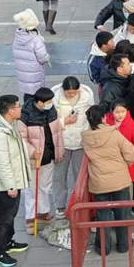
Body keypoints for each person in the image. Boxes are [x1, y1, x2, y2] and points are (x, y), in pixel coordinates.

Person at [0, 95, 31, 267]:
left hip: (13, 181)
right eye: (18, 106)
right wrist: (11, 186)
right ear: (10, 111)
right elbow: (1, 164)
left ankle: (7, 242)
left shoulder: (10, 125)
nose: (21, 108)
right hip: (3, 186)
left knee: (10, 215)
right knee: (1, 218)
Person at [81, 105, 134, 255]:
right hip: (119, 179)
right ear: (104, 118)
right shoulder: (114, 134)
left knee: (102, 215)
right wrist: (126, 164)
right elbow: (130, 151)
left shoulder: (86, 139)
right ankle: (124, 244)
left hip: (99, 181)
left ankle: (103, 247)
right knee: (122, 213)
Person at [19, 87, 64, 235]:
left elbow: (57, 133)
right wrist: (32, 151)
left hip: (48, 155)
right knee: (31, 189)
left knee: (45, 186)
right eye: (48, 101)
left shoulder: (51, 112)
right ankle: (31, 218)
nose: (51, 103)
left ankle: (43, 212)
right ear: (39, 102)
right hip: (34, 158)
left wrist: (59, 151)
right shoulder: (25, 116)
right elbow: (21, 139)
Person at [51, 77, 94, 219]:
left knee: (80, 177)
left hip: (80, 143)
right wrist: (64, 122)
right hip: (61, 144)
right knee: (59, 176)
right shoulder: (54, 99)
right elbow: (49, 122)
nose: (72, 95)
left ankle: (80, 204)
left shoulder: (87, 97)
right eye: (68, 93)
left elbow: (90, 119)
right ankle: (60, 205)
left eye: (74, 92)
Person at [107, 100, 134, 199]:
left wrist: (128, 155)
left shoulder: (133, 127)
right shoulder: (105, 123)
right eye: (117, 112)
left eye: (123, 111)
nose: (120, 115)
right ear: (112, 111)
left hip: (128, 164)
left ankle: (127, 207)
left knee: (127, 191)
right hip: (110, 162)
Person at [12, 10, 49, 101]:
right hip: (35, 72)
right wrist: (47, 57)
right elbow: (42, 57)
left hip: (22, 72)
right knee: (37, 95)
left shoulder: (17, 38)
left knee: (28, 94)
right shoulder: (36, 39)